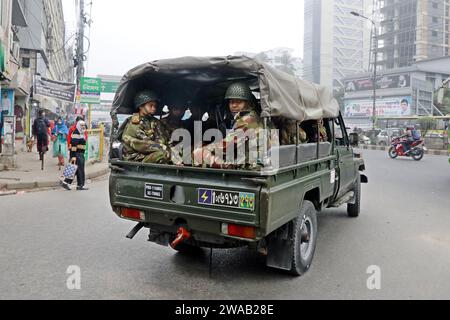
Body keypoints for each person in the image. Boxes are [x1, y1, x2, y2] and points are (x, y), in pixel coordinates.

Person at [193, 82, 270, 169]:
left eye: (238, 102)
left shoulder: (248, 119)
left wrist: (205, 149)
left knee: (199, 153)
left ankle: (228, 167)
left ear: (247, 103)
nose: (234, 105)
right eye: (231, 102)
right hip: (255, 160)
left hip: (251, 165)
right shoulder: (254, 115)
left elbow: (228, 144)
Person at [121, 90, 171, 164]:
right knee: (162, 154)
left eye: (155, 106)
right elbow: (143, 144)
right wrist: (163, 148)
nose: (154, 108)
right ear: (141, 106)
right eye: (150, 105)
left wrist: (174, 153)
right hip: (135, 158)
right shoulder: (135, 122)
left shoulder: (154, 121)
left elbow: (163, 138)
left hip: (149, 154)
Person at [61, 121, 89, 191]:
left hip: (80, 154)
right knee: (79, 170)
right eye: (81, 125)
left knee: (75, 169)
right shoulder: (76, 133)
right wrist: (73, 156)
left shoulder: (81, 132)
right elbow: (73, 145)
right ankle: (79, 185)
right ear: (78, 125)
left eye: (84, 125)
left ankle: (66, 182)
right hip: (77, 154)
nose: (83, 126)